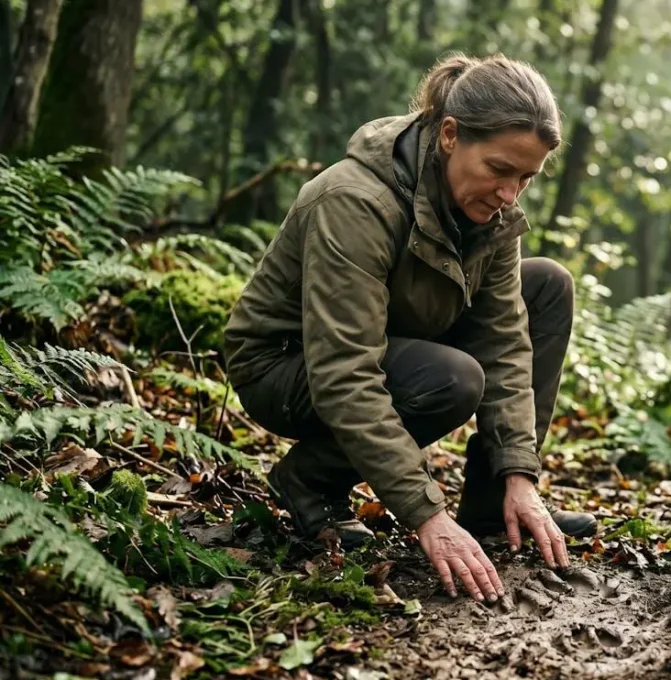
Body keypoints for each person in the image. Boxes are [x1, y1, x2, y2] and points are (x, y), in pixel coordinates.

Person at [222, 53, 596, 603]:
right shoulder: (355, 201)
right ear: (449, 135)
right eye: (498, 169)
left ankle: (496, 506)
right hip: (285, 363)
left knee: (546, 287)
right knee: (453, 378)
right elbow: (345, 373)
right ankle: (310, 481)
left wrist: (521, 473)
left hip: (396, 334)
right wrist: (426, 513)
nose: (510, 194)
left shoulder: (494, 214)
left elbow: (505, 339)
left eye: (527, 178)